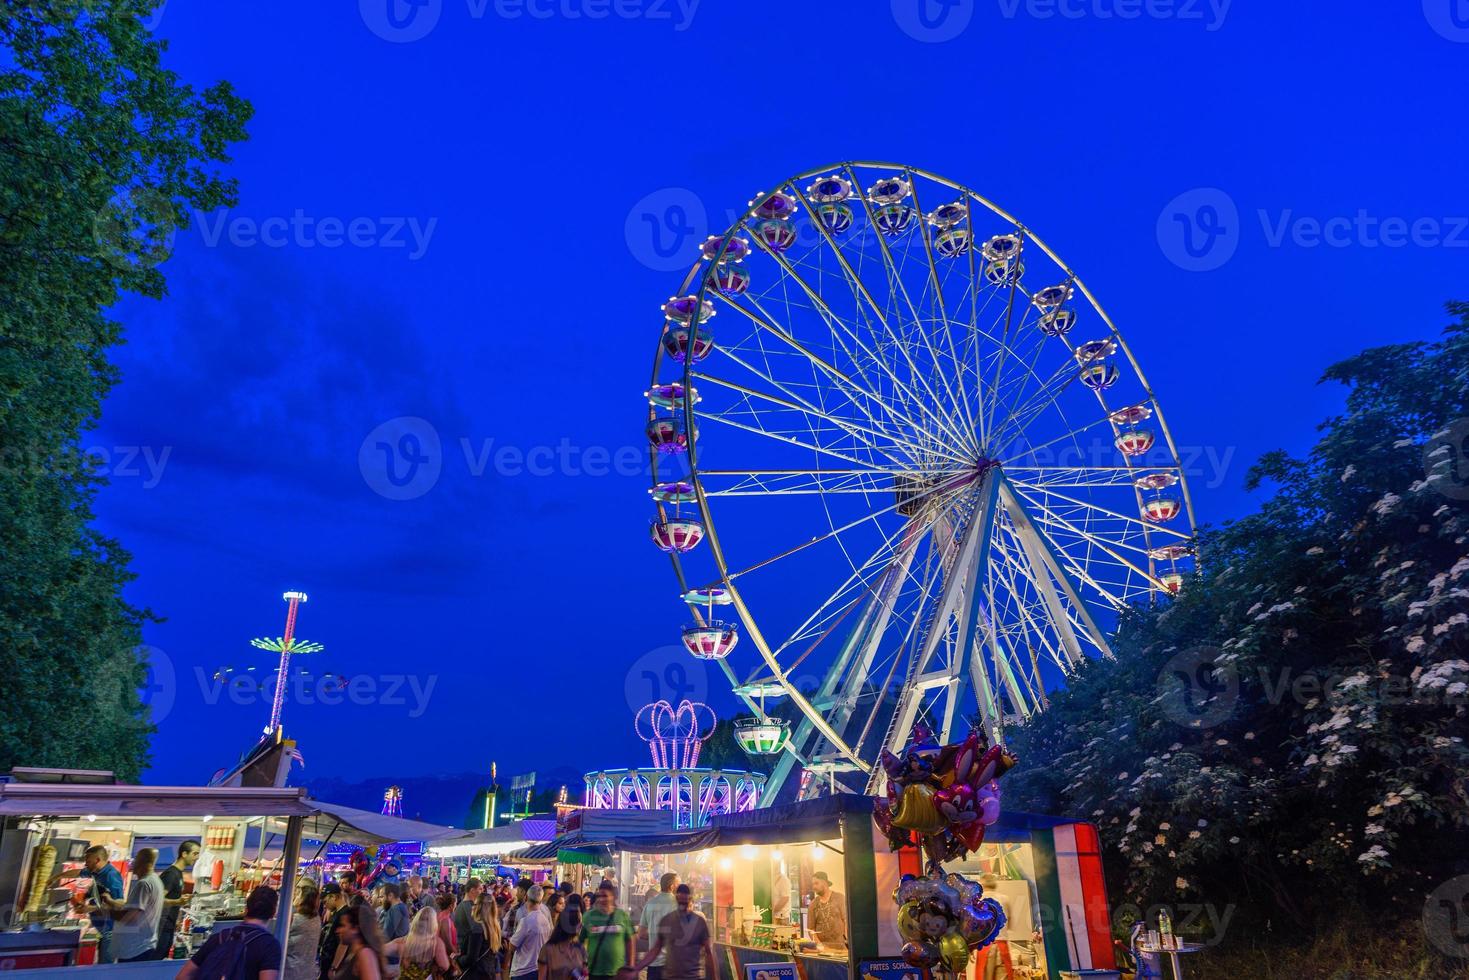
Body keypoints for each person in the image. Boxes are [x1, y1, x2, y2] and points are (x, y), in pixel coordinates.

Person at [177, 885, 283, 980]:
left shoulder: (219, 938)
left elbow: (183, 976)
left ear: (246, 909)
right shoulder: (270, 946)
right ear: (273, 913)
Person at [629, 885, 716, 980]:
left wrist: (714, 977)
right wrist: (637, 968)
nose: (683, 905)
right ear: (676, 899)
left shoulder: (699, 922)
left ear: (690, 900)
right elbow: (655, 949)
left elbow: (708, 952)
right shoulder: (667, 920)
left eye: (685, 902)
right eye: (680, 901)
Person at [55, 844, 123, 963]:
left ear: (97, 860)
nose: (86, 863)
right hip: (102, 928)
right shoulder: (96, 872)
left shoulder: (111, 876)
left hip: (111, 931)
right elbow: (78, 872)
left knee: (105, 967)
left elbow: (118, 904)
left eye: (88, 860)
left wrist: (90, 908)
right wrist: (57, 877)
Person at [102, 848, 164, 963]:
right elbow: (134, 908)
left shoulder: (143, 884)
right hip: (142, 947)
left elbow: (130, 917)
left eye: (136, 860)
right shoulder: (155, 880)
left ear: (142, 862)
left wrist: (105, 911)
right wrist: (111, 901)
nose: (133, 863)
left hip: (135, 950)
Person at [578, 884, 633, 980]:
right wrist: (583, 963)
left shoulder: (622, 916)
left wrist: (630, 965)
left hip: (618, 973)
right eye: (599, 896)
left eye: (605, 896)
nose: (601, 899)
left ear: (613, 897)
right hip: (595, 971)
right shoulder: (588, 916)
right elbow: (580, 942)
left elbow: (630, 941)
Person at [155, 839, 199, 959]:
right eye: (194, 854)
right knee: (156, 961)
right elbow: (158, 900)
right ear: (184, 854)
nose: (196, 858)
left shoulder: (179, 873)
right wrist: (178, 901)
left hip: (169, 925)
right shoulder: (171, 874)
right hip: (161, 926)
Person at [386, 907, 450, 980]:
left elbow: (380, 950)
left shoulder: (403, 941)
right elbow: (445, 966)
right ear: (433, 923)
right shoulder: (436, 943)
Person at [636, 874, 678, 980]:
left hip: (653, 963)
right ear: (672, 886)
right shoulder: (678, 904)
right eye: (678, 883)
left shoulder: (649, 904)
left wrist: (654, 936)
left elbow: (641, 933)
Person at [330, 903, 386, 980]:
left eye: (343, 925)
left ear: (355, 928)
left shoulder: (365, 954)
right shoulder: (355, 953)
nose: (338, 930)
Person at [506, 885, 550, 980]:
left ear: (526, 897)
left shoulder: (525, 921)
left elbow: (512, 946)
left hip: (523, 970)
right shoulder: (545, 921)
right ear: (541, 901)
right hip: (538, 968)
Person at [457, 892, 502, 980]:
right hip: (489, 973)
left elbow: (471, 958)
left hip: (476, 974)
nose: (472, 907)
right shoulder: (495, 927)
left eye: (474, 904)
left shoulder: (477, 929)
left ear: (479, 907)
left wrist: (458, 959)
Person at [536, 901, 585, 980]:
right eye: (579, 921)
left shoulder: (580, 948)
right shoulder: (548, 949)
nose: (582, 925)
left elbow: (584, 973)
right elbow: (542, 978)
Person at [285, 887, 323, 980]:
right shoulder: (317, 919)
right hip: (309, 971)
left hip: (291, 970)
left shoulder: (294, 919)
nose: (295, 896)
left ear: (303, 900)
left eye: (298, 894)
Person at [807, 872, 847, 949]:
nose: (814, 887)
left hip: (841, 946)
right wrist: (820, 946)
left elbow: (846, 921)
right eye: (813, 884)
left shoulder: (839, 898)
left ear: (824, 882)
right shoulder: (813, 904)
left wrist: (847, 941)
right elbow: (811, 929)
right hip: (823, 949)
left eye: (816, 883)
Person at [320, 883, 349, 980]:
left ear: (334, 897)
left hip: (335, 966)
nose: (325, 905)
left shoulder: (345, 914)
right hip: (328, 963)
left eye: (325, 902)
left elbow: (343, 943)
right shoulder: (337, 913)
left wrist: (334, 967)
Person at [454, 878, 485, 961]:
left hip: (463, 948)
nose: (482, 891)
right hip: (466, 951)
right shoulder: (469, 907)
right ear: (472, 890)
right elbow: (477, 930)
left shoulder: (462, 905)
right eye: (480, 889)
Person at [434, 893, 458, 967]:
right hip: (446, 956)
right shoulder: (445, 920)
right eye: (456, 903)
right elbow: (447, 943)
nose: (456, 906)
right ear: (451, 906)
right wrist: (456, 953)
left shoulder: (439, 915)